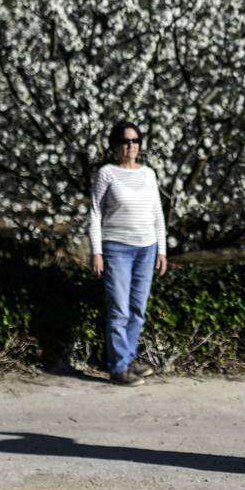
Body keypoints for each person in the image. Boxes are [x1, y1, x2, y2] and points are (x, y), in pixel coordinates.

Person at [89, 120, 168, 386]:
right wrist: (96, 251)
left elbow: (157, 213)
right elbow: (95, 212)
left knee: (137, 309)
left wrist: (162, 249)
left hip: (146, 248)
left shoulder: (148, 174)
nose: (130, 146)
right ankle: (118, 367)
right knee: (119, 310)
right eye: (125, 141)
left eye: (135, 141)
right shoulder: (106, 173)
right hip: (117, 248)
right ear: (114, 146)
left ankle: (127, 358)